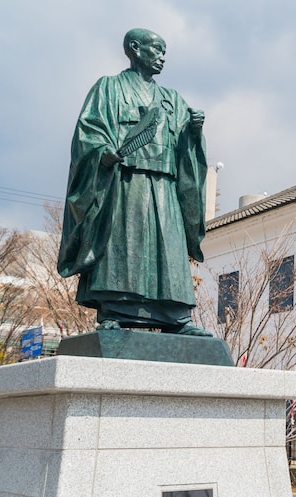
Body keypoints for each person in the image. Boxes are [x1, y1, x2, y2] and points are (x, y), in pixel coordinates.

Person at [57, 28, 211, 336]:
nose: (162, 57)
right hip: (126, 183)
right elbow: (88, 133)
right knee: (122, 246)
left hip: (165, 186)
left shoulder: (172, 99)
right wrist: (104, 152)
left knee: (169, 249)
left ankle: (176, 316)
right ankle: (114, 310)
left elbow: (186, 151)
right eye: (157, 50)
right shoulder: (108, 88)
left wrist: (194, 132)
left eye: (165, 52)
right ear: (135, 48)